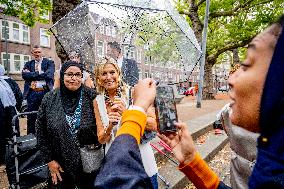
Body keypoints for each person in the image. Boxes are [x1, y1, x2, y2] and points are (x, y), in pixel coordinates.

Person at [95, 14, 284, 188]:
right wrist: (193, 161)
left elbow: (116, 182)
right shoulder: (273, 162)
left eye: (247, 65)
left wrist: (135, 111)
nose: (231, 80)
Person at [93, 58, 159, 188]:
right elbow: (101, 139)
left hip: (141, 156)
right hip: (115, 161)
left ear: (119, 74)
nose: (108, 77)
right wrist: (110, 126)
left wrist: (127, 113)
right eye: (104, 73)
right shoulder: (97, 101)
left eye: (112, 72)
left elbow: (154, 124)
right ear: (99, 78)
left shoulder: (134, 92)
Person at [36, 61, 100, 188]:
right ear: (62, 76)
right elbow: (40, 131)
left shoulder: (92, 96)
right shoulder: (49, 99)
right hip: (60, 165)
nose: (74, 78)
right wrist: (49, 161)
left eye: (78, 75)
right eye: (69, 74)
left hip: (88, 163)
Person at [22, 45, 55, 134]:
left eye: (39, 52)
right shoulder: (28, 64)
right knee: (31, 116)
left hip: (45, 92)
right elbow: (24, 75)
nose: (37, 54)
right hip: (32, 93)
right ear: (32, 53)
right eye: (35, 52)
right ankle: (31, 136)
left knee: (47, 115)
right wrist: (40, 73)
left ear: (42, 52)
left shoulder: (49, 63)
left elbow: (49, 75)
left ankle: (47, 136)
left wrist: (32, 75)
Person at [0, 65, 23, 168]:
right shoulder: (10, 81)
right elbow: (19, 96)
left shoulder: (9, 81)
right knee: (12, 132)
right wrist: (17, 108)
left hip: (5, 112)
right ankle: (14, 155)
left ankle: (3, 158)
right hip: (11, 111)